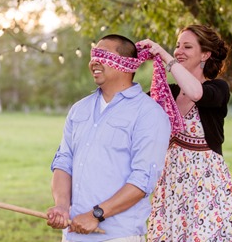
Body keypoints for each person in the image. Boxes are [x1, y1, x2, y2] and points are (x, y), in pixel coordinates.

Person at [46, 34, 172, 242]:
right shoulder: (79, 109)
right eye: (93, 54)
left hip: (117, 236)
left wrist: (97, 214)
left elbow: (142, 180)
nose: (93, 61)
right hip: (73, 235)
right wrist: (61, 205)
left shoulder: (149, 114)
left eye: (102, 55)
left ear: (127, 64)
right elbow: (63, 163)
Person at [137, 25, 232, 241]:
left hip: (206, 187)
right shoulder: (169, 93)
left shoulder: (218, 89)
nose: (179, 51)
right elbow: (131, 102)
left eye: (187, 46)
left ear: (205, 54)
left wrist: (165, 55)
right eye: (177, 46)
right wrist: (131, 57)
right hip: (171, 186)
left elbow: (197, 92)